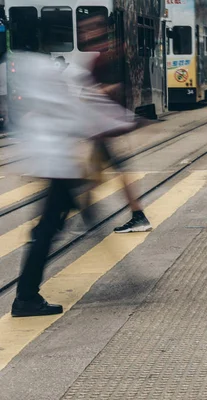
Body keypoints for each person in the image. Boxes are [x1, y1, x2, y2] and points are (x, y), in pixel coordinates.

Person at [11, 52, 137, 317]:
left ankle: (27, 295)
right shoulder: (69, 93)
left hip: (59, 168)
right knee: (46, 230)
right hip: (60, 168)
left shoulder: (51, 91)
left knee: (48, 227)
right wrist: (129, 121)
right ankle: (26, 297)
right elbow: (96, 119)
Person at [76, 15, 152, 234]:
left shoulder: (107, 57)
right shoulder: (102, 56)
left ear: (97, 30)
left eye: (87, 28)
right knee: (95, 173)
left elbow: (116, 86)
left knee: (114, 172)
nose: (84, 33)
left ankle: (137, 215)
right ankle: (84, 215)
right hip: (102, 127)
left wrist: (93, 93)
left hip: (107, 127)